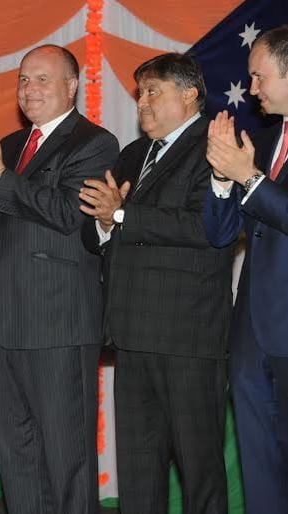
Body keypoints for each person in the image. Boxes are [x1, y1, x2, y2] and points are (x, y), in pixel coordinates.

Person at [0, 44, 119, 514]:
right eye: (23, 79)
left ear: (72, 86)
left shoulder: (93, 142)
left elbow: (71, 214)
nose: (29, 89)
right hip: (7, 321)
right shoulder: (7, 146)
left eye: (42, 79)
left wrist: (0, 179)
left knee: (67, 461)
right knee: (19, 456)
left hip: (59, 321)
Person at [79, 53, 234, 513]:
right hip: (131, 333)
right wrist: (107, 224)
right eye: (140, 93)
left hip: (187, 336)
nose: (142, 102)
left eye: (153, 91)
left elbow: (205, 228)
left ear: (189, 95)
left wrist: (123, 214)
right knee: (139, 468)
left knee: (198, 467)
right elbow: (102, 230)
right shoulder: (133, 154)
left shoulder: (214, 147)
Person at [203, 25, 288, 513]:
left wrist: (249, 179)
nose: (251, 89)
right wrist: (221, 180)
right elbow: (220, 234)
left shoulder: (252, 160)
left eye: (259, 77)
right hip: (251, 336)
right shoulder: (258, 139)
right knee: (259, 471)